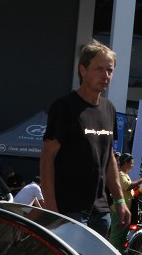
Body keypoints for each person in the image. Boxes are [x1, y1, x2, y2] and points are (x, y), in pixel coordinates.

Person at [40, 39, 130, 237]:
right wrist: (51, 210)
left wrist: (120, 201)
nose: (105, 75)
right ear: (83, 70)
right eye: (99, 69)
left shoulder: (109, 109)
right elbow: (47, 159)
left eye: (110, 70)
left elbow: (109, 160)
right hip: (69, 211)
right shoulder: (64, 107)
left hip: (101, 212)